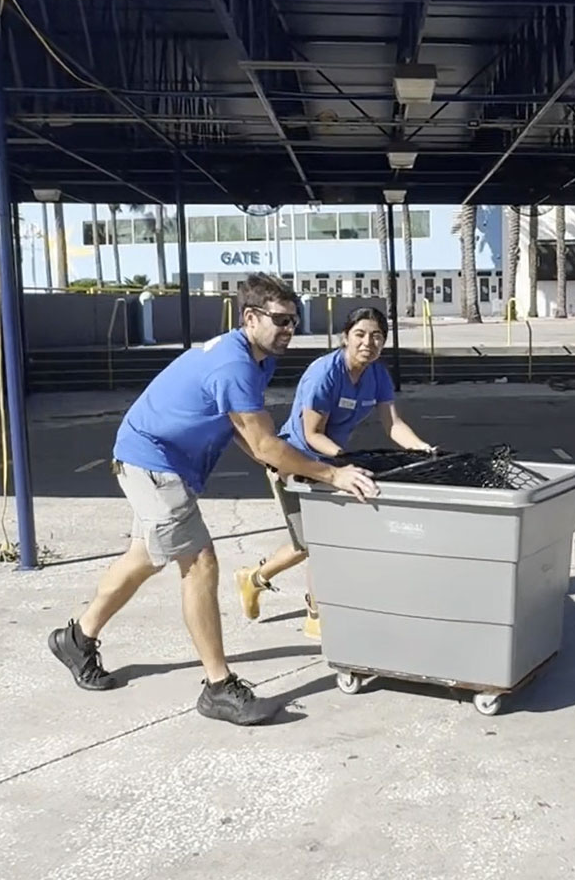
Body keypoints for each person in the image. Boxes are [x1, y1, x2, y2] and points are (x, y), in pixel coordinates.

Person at [48, 273, 379, 726]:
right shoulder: (235, 365)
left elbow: (241, 429)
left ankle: (77, 639)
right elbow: (263, 442)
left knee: (143, 559)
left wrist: (274, 463)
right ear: (250, 317)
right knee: (200, 561)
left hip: (157, 458)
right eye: (281, 320)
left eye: (294, 321)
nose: (289, 329)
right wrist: (331, 474)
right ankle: (219, 687)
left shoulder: (254, 358)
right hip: (152, 460)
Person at [237, 305, 438, 639]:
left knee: (314, 542)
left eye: (376, 336)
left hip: (333, 463)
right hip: (295, 460)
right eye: (359, 334)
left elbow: (393, 424)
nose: (368, 343)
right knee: (313, 543)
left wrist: (423, 449)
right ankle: (315, 612)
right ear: (345, 337)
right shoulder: (324, 373)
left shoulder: (377, 374)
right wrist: (345, 459)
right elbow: (313, 432)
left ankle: (255, 579)